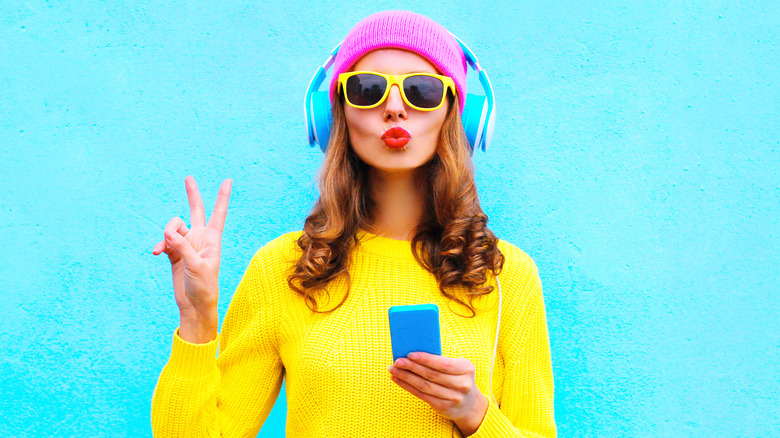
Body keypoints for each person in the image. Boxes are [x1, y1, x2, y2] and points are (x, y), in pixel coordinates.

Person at [150, 10, 556, 438]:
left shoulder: (506, 274)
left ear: (456, 115)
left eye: (422, 90)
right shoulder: (282, 268)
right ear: (336, 114)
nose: (395, 108)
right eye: (368, 90)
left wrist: (475, 413)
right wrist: (197, 318)